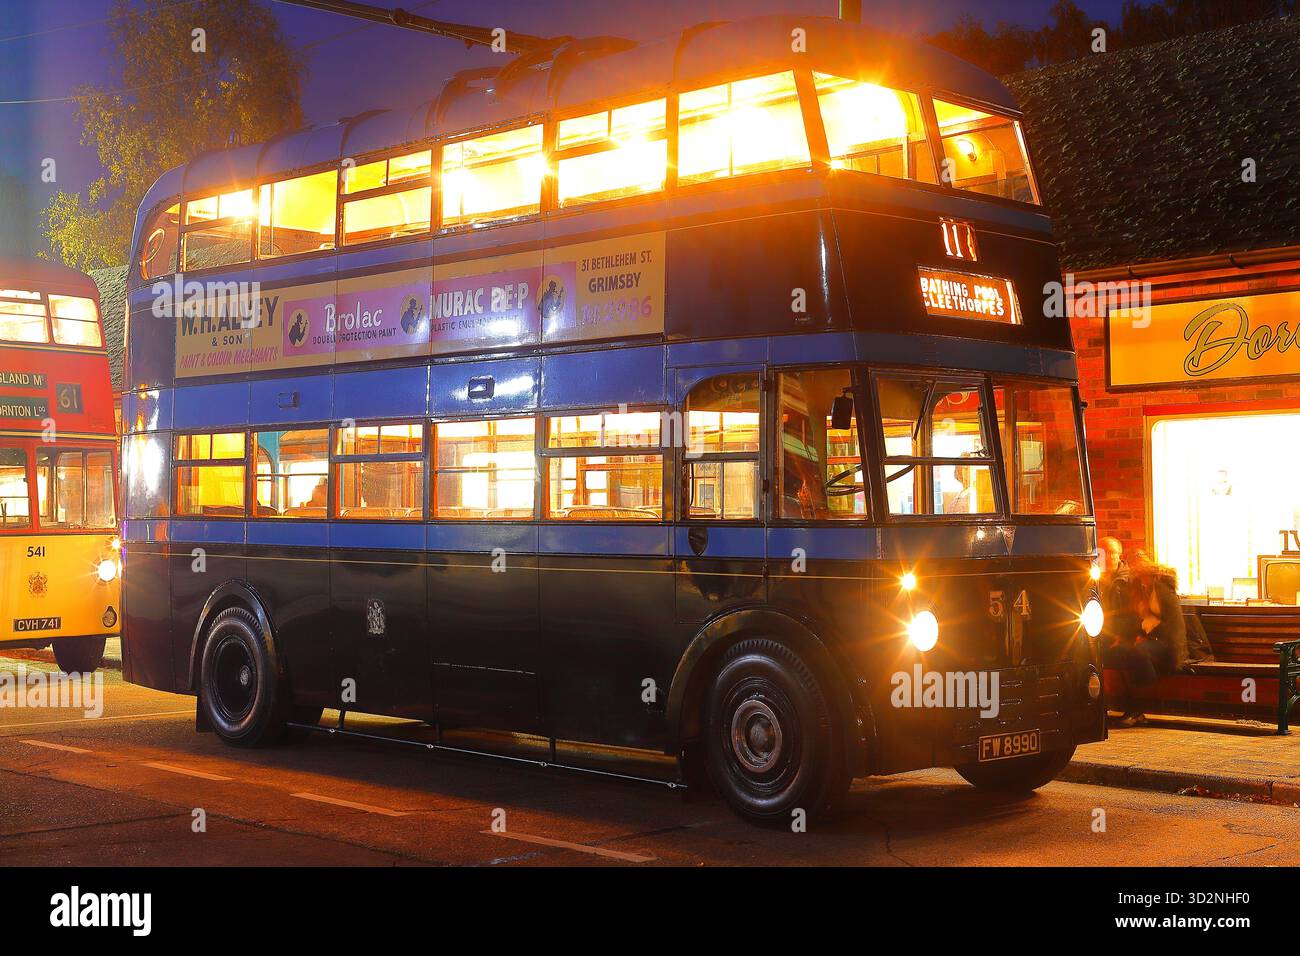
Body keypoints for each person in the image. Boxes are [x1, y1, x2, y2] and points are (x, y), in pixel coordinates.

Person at [1102, 556, 1188, 725]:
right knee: (1119, 654)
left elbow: (1174, 626)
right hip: (1149, 640)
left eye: (1142, 575)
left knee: (1135, 654)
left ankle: (1140, 702)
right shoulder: (1142, 590)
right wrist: (1125, 637)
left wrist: (1150, 634)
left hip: (1166, 643)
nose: (1139, 579)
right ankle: (1133, 706)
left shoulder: (1164, 591)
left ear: (1150, 574)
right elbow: (1138, 619)